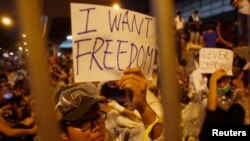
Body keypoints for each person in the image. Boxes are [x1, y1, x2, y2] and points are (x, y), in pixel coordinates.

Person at [55, 68, 163, 141]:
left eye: (97, 116)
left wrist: (143, 108)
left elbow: (160, 138)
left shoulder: (117, 137)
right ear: (62, 133)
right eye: (83, 123)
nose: (96, 126)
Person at [199, 69, 245, 141]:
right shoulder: (206, 96)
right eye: (218, 82)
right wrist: (213, 79)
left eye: (225, 81)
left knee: (237, 108)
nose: (223, 85)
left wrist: (242, 90)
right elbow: (211, 110)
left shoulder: (232, 94)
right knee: (216, 111)